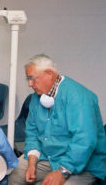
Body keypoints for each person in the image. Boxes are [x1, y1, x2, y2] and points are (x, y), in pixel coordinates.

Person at [8, 54, 106, 185]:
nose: (30, 84)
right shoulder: (36, 98)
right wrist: (31, 163)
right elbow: (32, 133)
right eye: (28, 79)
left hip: (83, 163)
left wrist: (62, 172)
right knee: (16, 173)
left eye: (32, 79)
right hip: (49, 157)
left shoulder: (78, 97)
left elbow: (85, 141)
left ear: (49, 73)